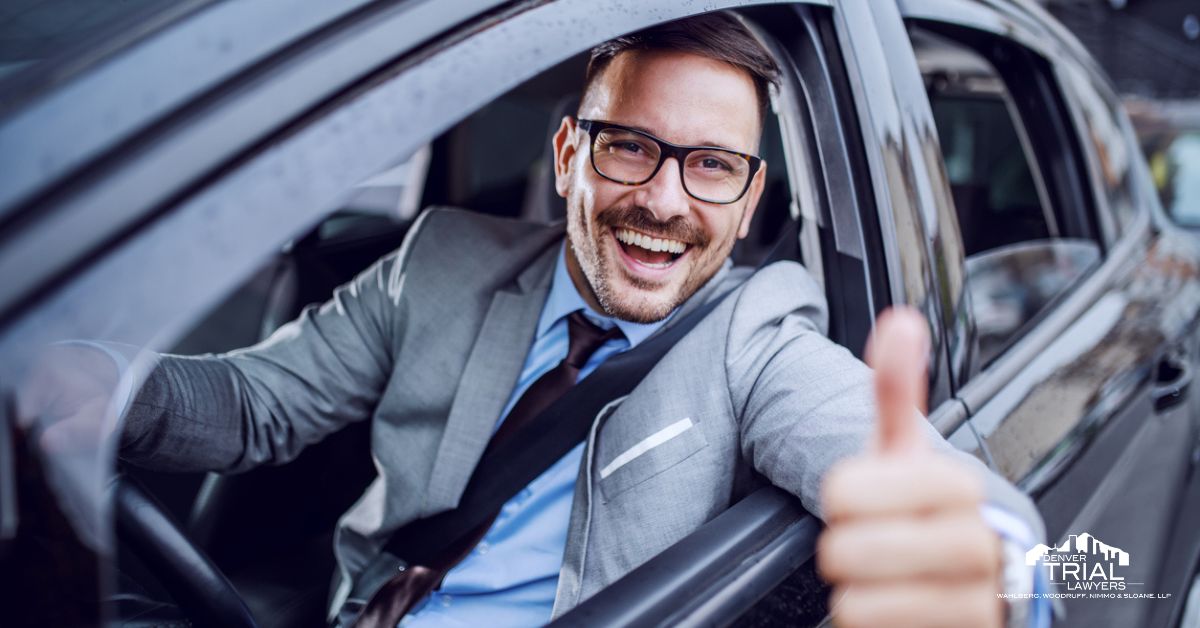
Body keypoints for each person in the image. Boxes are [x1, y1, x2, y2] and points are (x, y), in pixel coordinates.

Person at [22, 12, 1048, 628]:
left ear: (746, 200)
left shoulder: (759, 342)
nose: (664, 199)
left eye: (712, 166)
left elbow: (985, 521)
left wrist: (989, 577)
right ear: (565, 155)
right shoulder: (437, 264)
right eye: (628, 147)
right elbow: (252, 405)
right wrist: (101, 381)